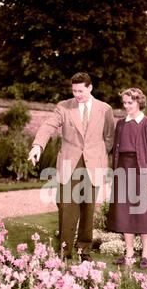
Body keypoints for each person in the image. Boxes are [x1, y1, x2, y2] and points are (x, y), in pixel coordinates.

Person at [28, 72, 115, 261]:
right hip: (70, 163)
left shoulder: (105, 109)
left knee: (88, 208)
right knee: (67, 207)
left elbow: (109, 137)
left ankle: (84, 250)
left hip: (94, 164)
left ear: (90, 88)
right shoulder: (63, 107)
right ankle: (64, 250)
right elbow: (48, 125)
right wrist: (38, 145)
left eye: (81, 91)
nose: (77, 94)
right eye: (74, 90)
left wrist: (99, 154)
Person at [107, 88, 147, 269]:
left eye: (130, 102)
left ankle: (145, 253)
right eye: (124, 103)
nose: (126, 106)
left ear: (139, 102)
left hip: (141, 173)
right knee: (124, 213)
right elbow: (115, 151)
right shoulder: (121, 124)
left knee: (143, 212)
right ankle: (129, 252)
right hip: (122, 171)